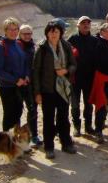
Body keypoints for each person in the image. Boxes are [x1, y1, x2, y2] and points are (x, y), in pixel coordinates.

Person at [32, 21, 77, 159]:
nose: (53, 34)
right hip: (47, 89)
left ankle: (66, 143)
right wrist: (37, 92)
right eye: (51, 31)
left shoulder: (66, 46)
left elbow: (73, 65)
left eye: (56, 31)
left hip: (63, 88)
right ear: (46, 33)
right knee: (48, 119)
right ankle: (49, 147)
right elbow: (36, 71)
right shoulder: (42, 48)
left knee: (63, 117)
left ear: (60, 33)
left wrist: (65, 70)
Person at [0, 18, 30, 134]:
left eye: (16, 29)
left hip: (19, 86)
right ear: (5, 30)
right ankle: (7, 144)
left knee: (18, 113)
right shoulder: (0, 47)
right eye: (10, 29)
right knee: (10, 115)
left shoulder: (18, 44)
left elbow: (23, 62)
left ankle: (15, 143)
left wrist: (26, 76)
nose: (13, 32)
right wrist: (15, 80)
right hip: (7, 87)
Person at [68, 16, 98, 137]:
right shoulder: (72, 39)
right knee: (74, 104)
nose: (86, 25)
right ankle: (76, 127)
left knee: (88, 104)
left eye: (88, 23)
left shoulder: (94, 40)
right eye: (83, 23)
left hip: (89, 78)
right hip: (74, 78)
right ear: (78, 26)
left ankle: (88, 126)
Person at [17, 24, 42, 146]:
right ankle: (16, 137)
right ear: (19, 34)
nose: (27, 36)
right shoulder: (15, 46)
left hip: (31, 84)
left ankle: (33, 135)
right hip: (17, 84)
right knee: (17, 111)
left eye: (29, 33)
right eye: (24, 34)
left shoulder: (34, 47)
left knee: (33, 110)